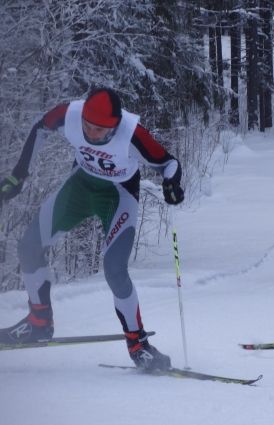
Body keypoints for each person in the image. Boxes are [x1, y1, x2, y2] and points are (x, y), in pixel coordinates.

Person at [0, 88, 184, 371]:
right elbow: (40, 128)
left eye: (99, 129)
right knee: (29, 246)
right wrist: (19, 175)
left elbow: (168, 163)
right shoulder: (70, 114)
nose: (91, 133)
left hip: (118, 195)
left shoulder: (132, 132)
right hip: (80, 186)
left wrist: (171, 184)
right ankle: (39, 321)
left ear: (115, 125)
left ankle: (138, 345)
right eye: (87, 125)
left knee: (114, 268)